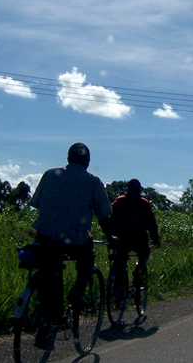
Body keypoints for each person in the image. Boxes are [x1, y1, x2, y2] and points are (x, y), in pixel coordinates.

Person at [29, 143, 115, 345]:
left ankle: (46, 323)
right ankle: (77, 292)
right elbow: (103, 216)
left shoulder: (50, 174)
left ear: (68, 158)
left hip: (44, 237)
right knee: (88, 254)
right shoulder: (93, 181)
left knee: (50, 271)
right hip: (73, 239)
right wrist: (110, 237)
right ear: (87, 162)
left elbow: (37, 203)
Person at [109, 178, 161, 291]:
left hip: (121, 238)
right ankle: (139, 271)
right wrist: (156, 239)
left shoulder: (119, 201)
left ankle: (118, 293)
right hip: (138, 238)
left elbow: (111, 220)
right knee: (144, 253)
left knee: (120, 262)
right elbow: (151, 224)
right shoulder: (143, 203)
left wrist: (110, 237)